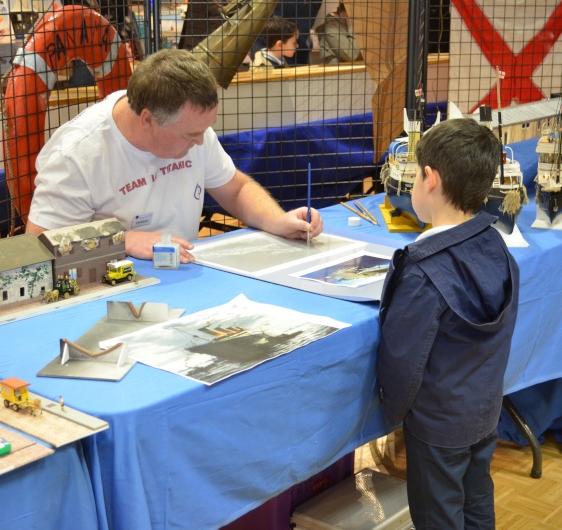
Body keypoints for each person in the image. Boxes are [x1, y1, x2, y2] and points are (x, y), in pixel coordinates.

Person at [25, 49, 322, 262]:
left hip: (180, 271)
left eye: (204, 131)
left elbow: (236, 188)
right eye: (189, 136)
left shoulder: (194, 128)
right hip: (110, 285)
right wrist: (124, 241)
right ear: (148, 120)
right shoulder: (78, 155)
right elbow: (39, 243)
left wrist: (279, 220)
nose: (199, 142)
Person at [375, 118, 519, 529]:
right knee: (477, 503)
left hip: (437, 426)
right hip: (482, 410)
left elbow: (402, 362)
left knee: (437, 517)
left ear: (430, 179)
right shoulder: (498, 246)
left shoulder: (421, 272)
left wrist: (393, 415)